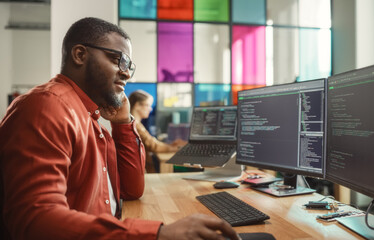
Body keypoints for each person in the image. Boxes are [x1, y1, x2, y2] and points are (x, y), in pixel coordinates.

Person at [0, 17, 239, 240]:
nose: (126, 73)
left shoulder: (90, 118)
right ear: (80, 55)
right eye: (118, 60)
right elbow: (34, 220)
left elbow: (131, 189)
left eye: (129, 66)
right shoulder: (47, 107)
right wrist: (158, 233)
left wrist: (123, 123)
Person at [129, 90, 186, 172]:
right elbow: (153, 145)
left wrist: (171, 145)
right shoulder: (134, 125)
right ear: (137, 105)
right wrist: (177, 148)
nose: (150, 109)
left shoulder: (136, 123)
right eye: (147, 105)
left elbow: (150, 142)